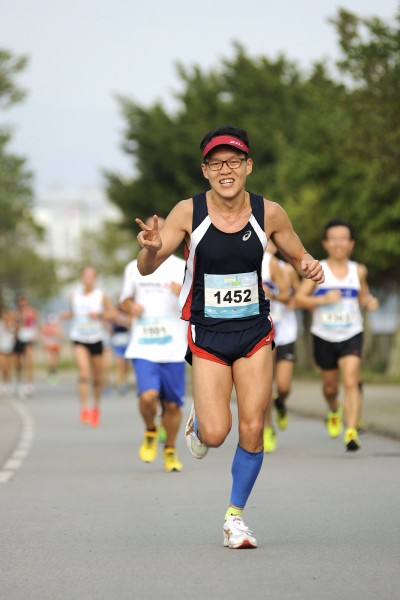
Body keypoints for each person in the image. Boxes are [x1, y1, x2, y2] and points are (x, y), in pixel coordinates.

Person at [135, 125, 324, 548]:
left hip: (255, 329)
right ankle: (200, 422)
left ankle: (235, 518)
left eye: (234, 161)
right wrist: (149, 247)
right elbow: (147, 267)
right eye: (216, 162)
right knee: (217, 433)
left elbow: (299, 255)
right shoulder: (188, 212)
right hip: (207, 332)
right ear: (205, 170)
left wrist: (310, 265)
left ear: (248, 166)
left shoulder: (269, 212)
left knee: (253, 426)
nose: (226, 169)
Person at [295, 219, 378, 452]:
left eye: (343, 239)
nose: (338, 243)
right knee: (330, 387)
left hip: (351, 332)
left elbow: (363, 296)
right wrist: (323, 299)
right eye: (333, 239)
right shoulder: (316, 270)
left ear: (351, 243)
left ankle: (351, 431)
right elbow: (299, 299)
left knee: (351, 380)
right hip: (323, 335)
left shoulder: (358, 270)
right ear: (326, 243)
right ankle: (333, 408)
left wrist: (369, 302)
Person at [119, 217, 187, 473]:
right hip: (143, 345)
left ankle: (170, 449)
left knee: (172, 405)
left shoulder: (182, 266)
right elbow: (123, 301)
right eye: (147, 231)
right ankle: (150, 429)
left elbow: (197, 301)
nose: (153, 233)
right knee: (148, 396)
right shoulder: (133, 267)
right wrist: (130, 307)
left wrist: (182, 292)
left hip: (173, 346)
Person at [61, 266, 114, 427]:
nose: (88, 279)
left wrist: (100, 315)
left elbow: (112, 313)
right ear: (81, 278)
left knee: (97, 378)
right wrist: (67, 316)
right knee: (84, 373)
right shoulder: (74, 296)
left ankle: (95, 407)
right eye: (86, 276)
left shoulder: (101, 295)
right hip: (79, 338)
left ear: (95, 279)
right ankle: (84, 409)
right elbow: (74, 313)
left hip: (96, 338)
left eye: (91, 276)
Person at [261, 242, 291, 452]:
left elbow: (287, 295)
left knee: (282, 386)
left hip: (280, 326)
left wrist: (270, 294)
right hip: (258, 327)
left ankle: (280, 404)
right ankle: (267, 427)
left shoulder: (270, 263)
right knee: (265, 382)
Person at [13, 294, 39, 397]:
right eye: (20, 301)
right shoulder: (16, 314)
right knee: (19, 363)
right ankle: (20, 381)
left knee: (30, 362)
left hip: (29, 339)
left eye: (24, 301)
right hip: (19, 339)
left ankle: (29, 385)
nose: (22, 303)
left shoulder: (32, 312)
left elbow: (36, 324)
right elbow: (13, 326)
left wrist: (37, 334)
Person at [109, 308, 132, 395]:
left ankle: (125, 380)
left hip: (127, 339)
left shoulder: (129, 313)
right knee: (120, 362)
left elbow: (130, 325)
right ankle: (120, 383)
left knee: (126, 364)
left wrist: (124, 322)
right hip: (117, 340)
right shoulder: (114, 312)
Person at [40, 313, 63, 385]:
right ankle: (50, 374)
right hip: (48, 346)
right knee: (49, 361)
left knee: (54, 362)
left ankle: (54, 374)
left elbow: (60, 335)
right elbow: (42, 336)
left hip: (55, 345)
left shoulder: (57, 327)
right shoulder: (45, 327)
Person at [0, 308, 17, 397]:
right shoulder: (1, 325)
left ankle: (8, 384)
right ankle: (4, 383)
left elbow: (14, 336)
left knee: (8, 368)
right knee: (3, 367)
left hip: (10, 349)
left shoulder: (12, 326)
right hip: (2, 349)